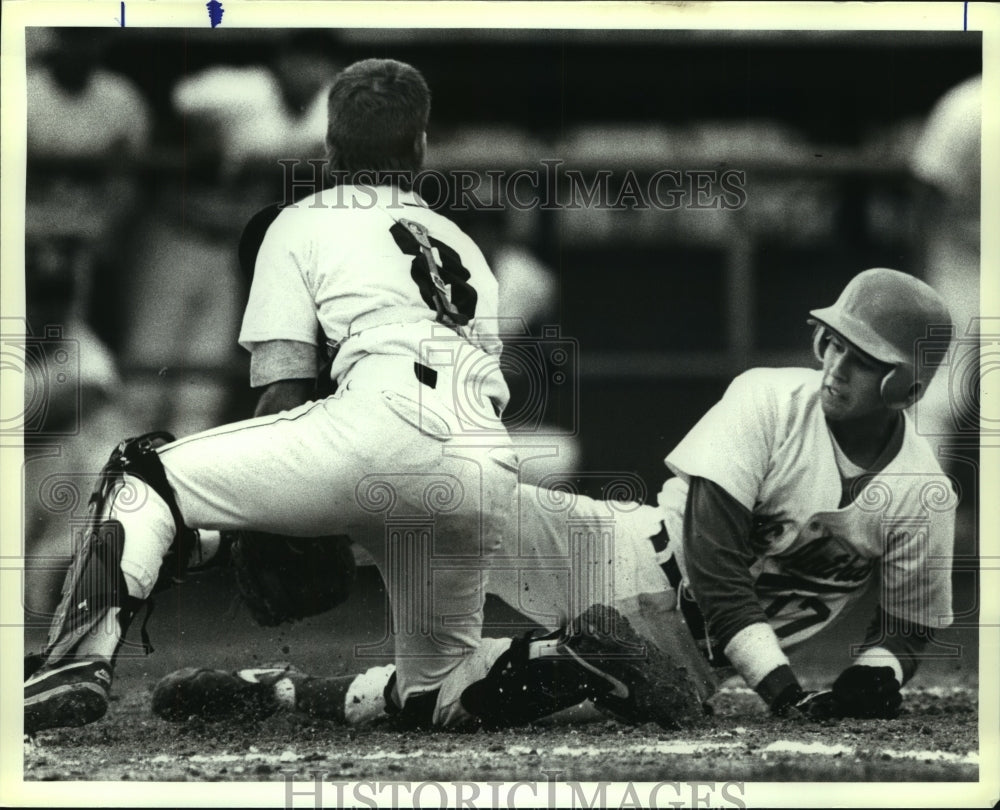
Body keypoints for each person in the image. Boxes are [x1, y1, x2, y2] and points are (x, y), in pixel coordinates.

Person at [24, 58, 692, 735]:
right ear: (420, 148)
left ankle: (74, 661)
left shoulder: (302, 220)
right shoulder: (465, 248)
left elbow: (283, 395)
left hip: (375, 426)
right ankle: (574, 658)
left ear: (330, 148)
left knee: (142, 471)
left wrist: (269, 515)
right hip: (481, 464)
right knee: (438, 691)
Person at [151, 267, 957, 726]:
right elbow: (715, 570)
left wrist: (878, 671)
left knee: (449, 706)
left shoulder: (924, 494)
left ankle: (278, 692)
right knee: (446, 494)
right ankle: (206, 528)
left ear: (903, 383)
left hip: (680, 661)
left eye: (861, 358)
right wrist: (784, 691)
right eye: (832, 343)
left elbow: (910, 621)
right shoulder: (768, 401)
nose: (833, 366)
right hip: (621, 549)